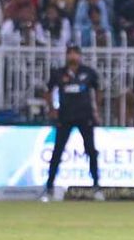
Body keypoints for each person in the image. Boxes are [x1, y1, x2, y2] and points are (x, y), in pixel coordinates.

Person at [41, 44, 103, 201]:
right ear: (67, 56)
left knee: (91, 151)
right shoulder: (58, 73)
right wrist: (52, 109)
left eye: (76, 53)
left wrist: (96, 110)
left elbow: (98, 90)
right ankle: (49, 188)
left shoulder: (88, 73)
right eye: (70, 54)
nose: (73, 56)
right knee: (57, 152)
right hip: (65, 116)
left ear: (80, 56)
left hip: (85, 115)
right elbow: (47, 91)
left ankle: (96, 187)